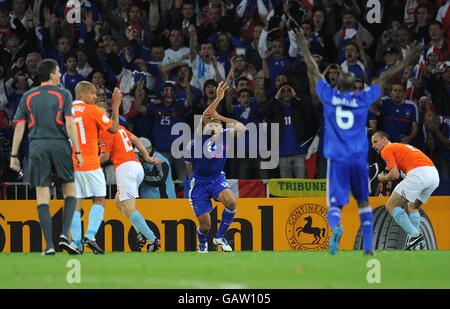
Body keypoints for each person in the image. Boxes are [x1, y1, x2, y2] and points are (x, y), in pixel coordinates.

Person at [294, 28, 420, 255]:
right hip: (359, 159)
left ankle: (337, 228)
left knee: (334, 205)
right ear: (355, 87)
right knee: (363, 201)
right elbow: (383, 78)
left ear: (338, 86)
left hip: (337, 159)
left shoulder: (330, 97)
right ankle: (369, 247)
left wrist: (303, 47)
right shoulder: (362, 99)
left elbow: (314, 73)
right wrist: (406, 59)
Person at [10, 59, 83, 255]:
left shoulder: (27, 95)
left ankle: (49, 245)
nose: (60, 74)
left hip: (37, 147)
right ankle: (63, 234)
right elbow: (69, 125)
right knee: (70, 191)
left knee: (42, 195)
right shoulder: (63, 94)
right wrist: (77, 151)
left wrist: (14, 155)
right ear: (51, 74)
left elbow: (19, 126)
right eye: (58, 71)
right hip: (59, 144)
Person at [185, 81, 246, 253]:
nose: (213, 124)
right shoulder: (200, 137)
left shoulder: (225, 135)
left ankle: (219, 237)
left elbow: (241, 127)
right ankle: (202, 241)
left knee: (231, 201)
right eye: (210, 123)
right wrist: (219, 98)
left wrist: (220, 117)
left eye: (216, 123)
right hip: (199, 183)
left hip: (217, 178)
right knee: (205, 225)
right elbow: (205, 114)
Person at [69, 81, 122, 254]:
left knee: (76, 201)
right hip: (91, 163)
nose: (95, 97)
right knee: (99, 199)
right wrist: (115, 106)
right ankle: (90, 236)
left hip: (72, 163)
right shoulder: (93, 110)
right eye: (92, 93)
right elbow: (113, 128)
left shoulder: (65, 110)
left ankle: (76, 243)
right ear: (81, 95)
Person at [99, 123, 163, 252]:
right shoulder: (118, 127)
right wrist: (147, 157)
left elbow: (104, 157)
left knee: (129, 207)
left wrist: (88, 165)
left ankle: (153, 239)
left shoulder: (104, 131)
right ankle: (140, 233)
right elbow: (135, 139)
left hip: (125, 168)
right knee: (118, 201)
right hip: (136, 166)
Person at [371, 131, 440, 250]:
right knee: (412, 207)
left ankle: (415, 235)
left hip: (419, 173)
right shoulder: (400, 148)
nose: (373, 146)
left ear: (385, 139)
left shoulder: (387, 149)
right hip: (434, 175)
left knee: (391, 205)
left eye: (375, 141)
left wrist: (383, 177)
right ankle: (416, 243)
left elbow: (395, 175)